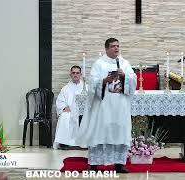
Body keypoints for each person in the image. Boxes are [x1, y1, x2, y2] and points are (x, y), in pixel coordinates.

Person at [76, 38, 137, 173]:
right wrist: (104, 80)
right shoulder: (99, 64)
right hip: (103, 106)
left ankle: (119, 164)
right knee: (100, 131)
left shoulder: (124, 63)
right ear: (106, 49)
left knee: (119, 132)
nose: (116, 48)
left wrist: (125, 75)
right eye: (113, 46)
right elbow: (92, 84)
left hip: (120, 105)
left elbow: (133, 81)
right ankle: (93, 164)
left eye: (118, 46)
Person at [54, 65, 87, 150]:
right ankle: (64, 143)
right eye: (73, 73)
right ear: (70, 75)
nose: (75, 75)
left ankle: (86, 143)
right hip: (70, 111)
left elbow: (91, 100)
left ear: (80, 74)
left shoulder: (86, 87)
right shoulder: (65, 88)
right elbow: (60, 101)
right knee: (65, 116)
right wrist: (64, 107)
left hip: (83, 111)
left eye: (77, 73)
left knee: (87, 117)